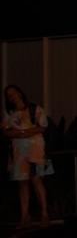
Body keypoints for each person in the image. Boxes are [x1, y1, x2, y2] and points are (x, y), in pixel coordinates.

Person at [2, 84, 52, 227]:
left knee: (37, 180)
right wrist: (24, 133)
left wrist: (22, 133)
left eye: (13, 93)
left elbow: (42, 127)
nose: (12, 97)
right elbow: (6, 132)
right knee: (22, 183)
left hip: (35, 150)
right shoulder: (10, 113)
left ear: (19, 92)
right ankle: (25, 216)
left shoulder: (34, 109)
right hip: (18, 152)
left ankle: (44, 214)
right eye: (9, 95)